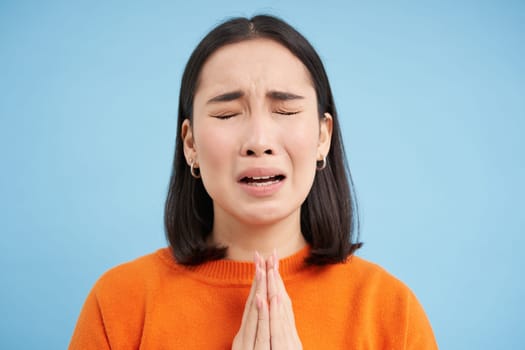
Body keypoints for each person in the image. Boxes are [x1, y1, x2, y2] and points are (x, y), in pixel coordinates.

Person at [69, 15, 438, 349]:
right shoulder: (119, 304)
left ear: (323, 137)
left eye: (286, 111)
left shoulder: (391, 311)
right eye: (227, 114)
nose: (259, 141)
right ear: (191, 144)